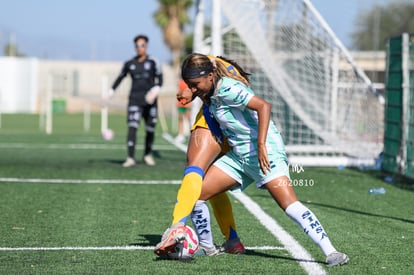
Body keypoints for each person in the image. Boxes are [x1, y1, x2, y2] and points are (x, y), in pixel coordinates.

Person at [155, 53, 349, 267]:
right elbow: (204, 95)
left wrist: (261, 146)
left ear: (210, 76)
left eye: (195, 85)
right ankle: (207, 247)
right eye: (190, 85)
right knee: (197, 195)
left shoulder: (228, 88)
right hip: (239, 157)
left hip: (265, 154)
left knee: (289, 205)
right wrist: (192, 94)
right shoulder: (209, 91)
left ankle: (332, 252)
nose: (193, 89)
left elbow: (264, 106)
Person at [108, 34, 163, 167]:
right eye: (137, 45)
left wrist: (154, 91)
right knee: (132, 127)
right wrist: (111, 91)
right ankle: (130, 157)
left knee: (150, 129)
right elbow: (120, 77)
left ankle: (147, 154)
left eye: (142, 45)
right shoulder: (129, 63)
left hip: (150, 102)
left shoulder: (153, 62)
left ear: (147, 46)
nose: (140, 48)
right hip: (135, 100)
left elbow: (160, 80)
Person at [175, 79, 192, 144]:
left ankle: (191, 133)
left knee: (188, 119)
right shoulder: (180, 81)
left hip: (187, 103)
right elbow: (179, 91)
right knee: (180, 118)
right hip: (180, 103)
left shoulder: (189, 81)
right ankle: (180, 135)